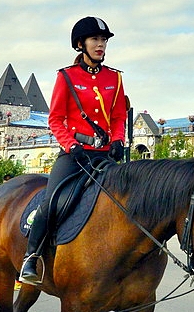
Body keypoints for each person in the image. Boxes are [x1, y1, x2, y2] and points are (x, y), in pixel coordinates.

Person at [19, 16, 128, 285]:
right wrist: (72, 146)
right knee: (53, 201)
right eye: (95, 40)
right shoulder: (66, 77)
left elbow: (118, 117)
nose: (101, 45)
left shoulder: (114, 78)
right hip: (75, 155)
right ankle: (31, 257)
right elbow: (55, 119)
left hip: (105, 155)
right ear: (81, 44)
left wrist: (117, 140)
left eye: (103, 40)